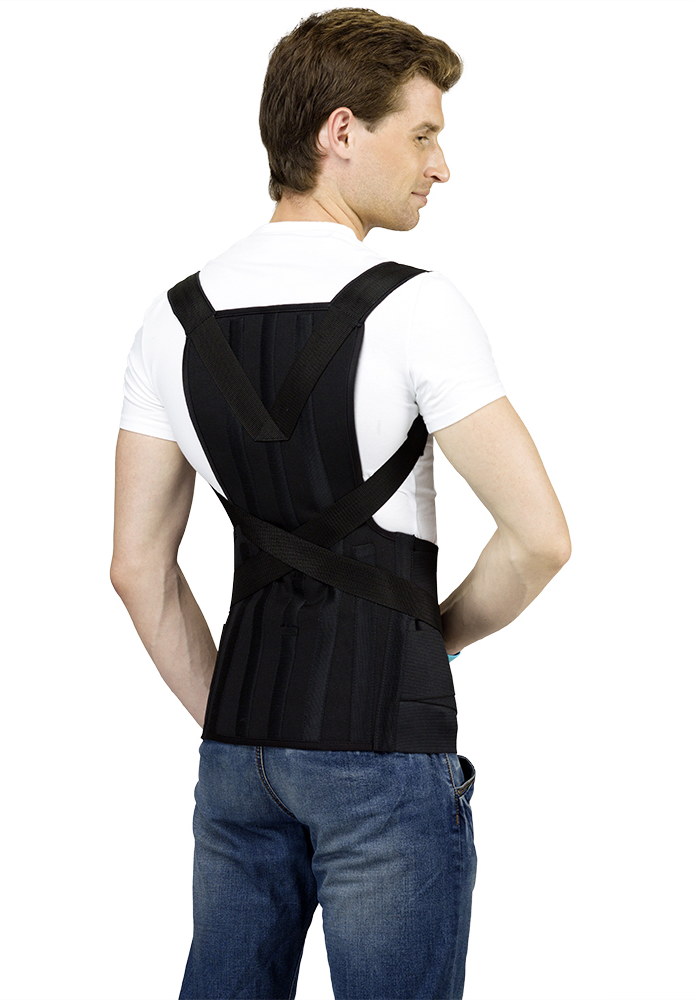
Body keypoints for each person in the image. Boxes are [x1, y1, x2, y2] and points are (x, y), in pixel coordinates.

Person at [110, 8, 571, 999]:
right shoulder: (416, 305)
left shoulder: (171, 319)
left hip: (237, 757)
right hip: (383, 748)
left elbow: (137, 568)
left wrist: (239, 725)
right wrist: (434, 639)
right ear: (341, 132)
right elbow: (539, 538)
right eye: (423, 133)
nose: (440, 167)